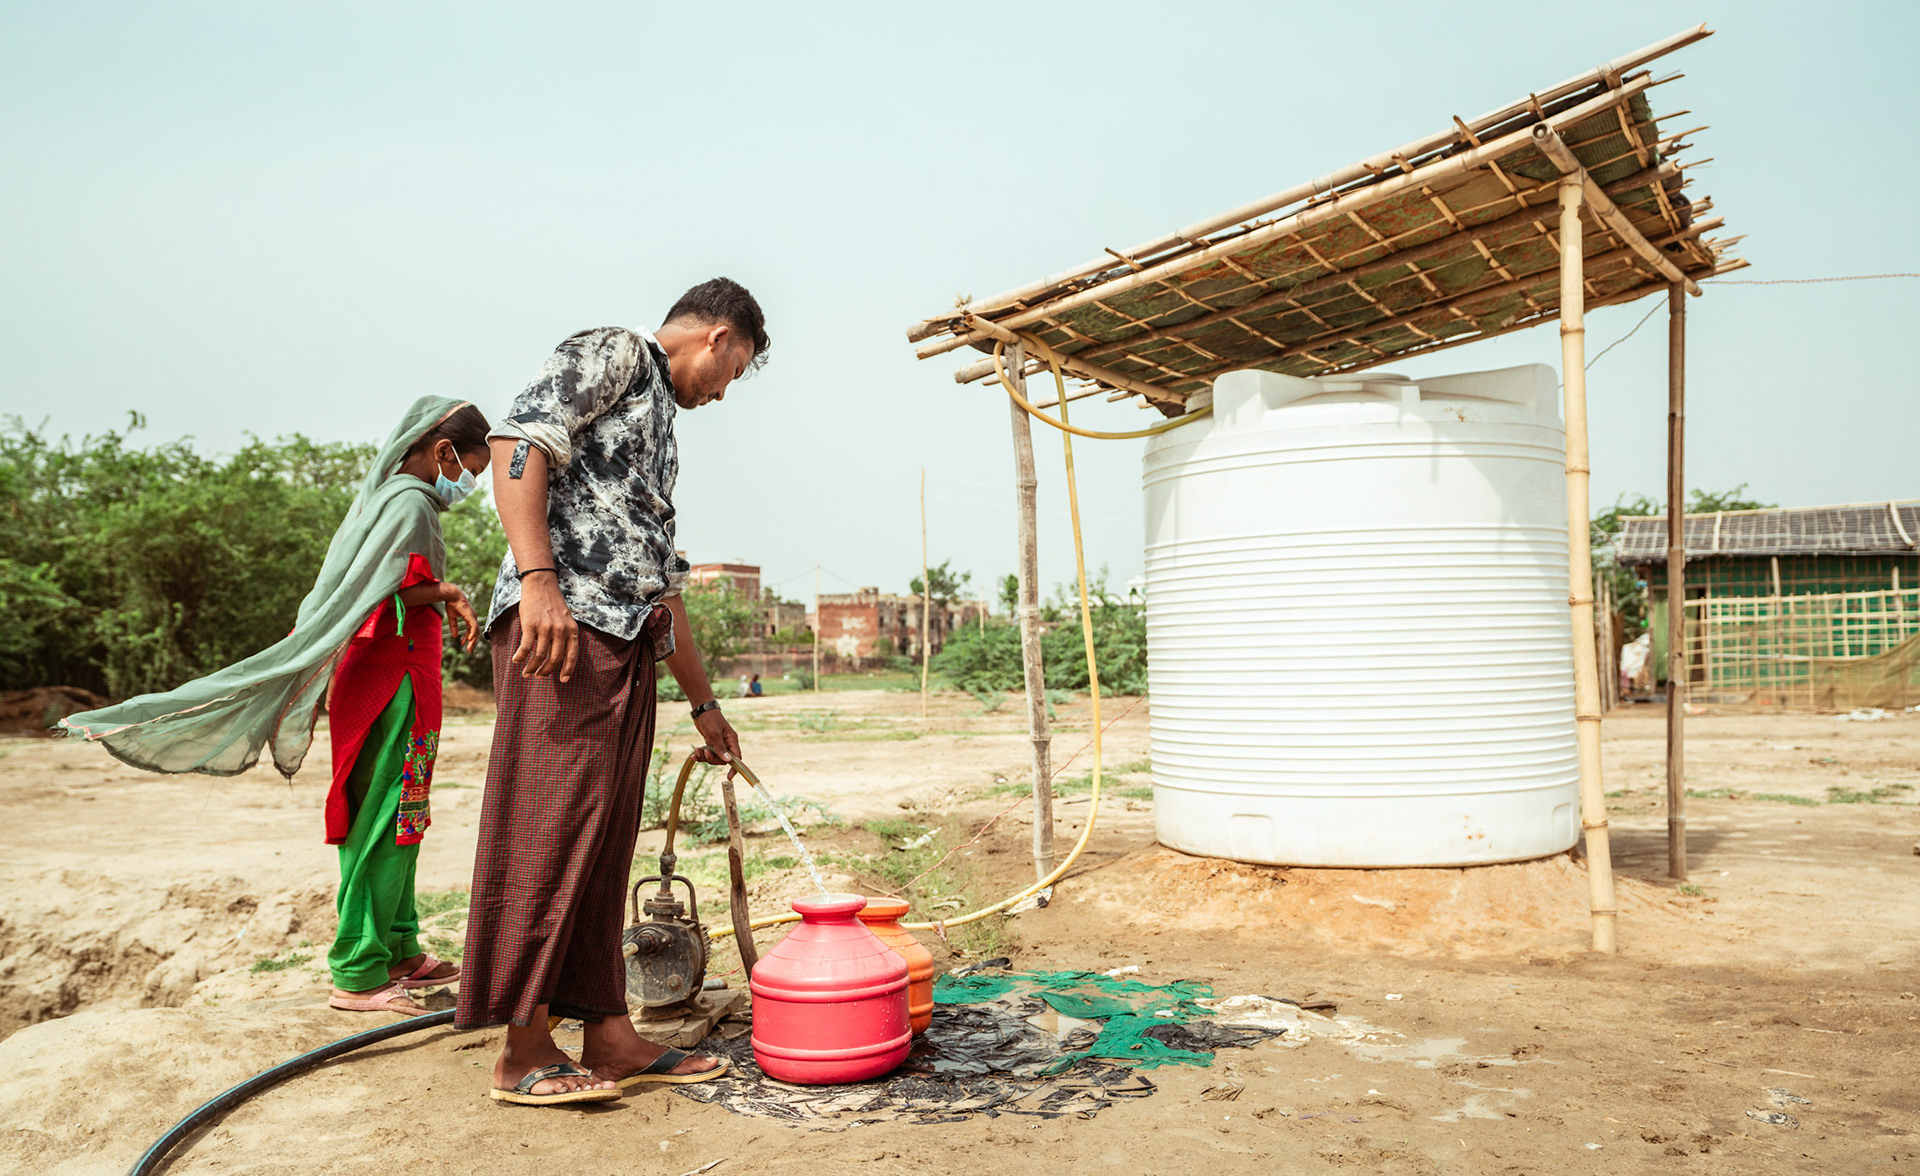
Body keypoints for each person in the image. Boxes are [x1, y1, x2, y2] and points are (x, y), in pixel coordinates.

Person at [59, 397, 490, 1016]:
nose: (468, 482)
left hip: (401, 676)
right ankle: (359, 970)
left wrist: (438, 596)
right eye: (470, 467)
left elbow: (382, 585)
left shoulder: (392, 499)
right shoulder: (411, 502)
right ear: (444, 451)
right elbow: (379, 592)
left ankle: (400, 949)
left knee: (405, 810)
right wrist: (448, 591)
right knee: (383, 814)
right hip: (387, 678)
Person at [456, 278, 768, 1107]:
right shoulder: (617, 352)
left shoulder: (660, 422)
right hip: (562, 632)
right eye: (733, 371)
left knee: (602, 842)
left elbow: (663, 587)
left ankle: (609, 1031)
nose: (725, 390)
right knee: (550, 829)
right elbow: (517, 443)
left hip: (623, 646)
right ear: (719, 337)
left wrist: (705, 706)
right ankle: (524, 1049)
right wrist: (537, 585)